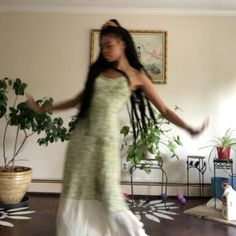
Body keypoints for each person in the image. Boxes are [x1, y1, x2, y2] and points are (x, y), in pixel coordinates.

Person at [27, 19, 208, 236]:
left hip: (106, 141)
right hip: (81, 140)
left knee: (108, 192)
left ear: (122, 43)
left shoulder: (137, 77)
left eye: (108, 44)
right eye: (101, 45)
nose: (104, 50)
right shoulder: (98, 74)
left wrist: (189, 128)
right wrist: (42, 108)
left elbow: (164, 110)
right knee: (76, 187)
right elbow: (76, 100)